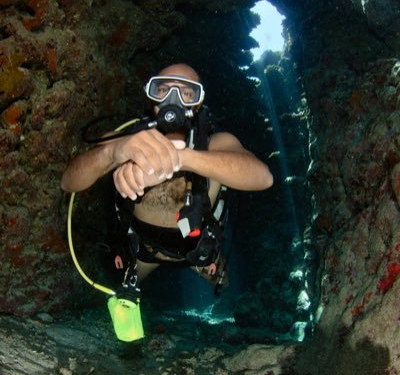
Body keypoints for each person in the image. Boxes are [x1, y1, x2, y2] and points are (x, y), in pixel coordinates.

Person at [61, 63, 273, 294]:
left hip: (197, 250)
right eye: (163, 89)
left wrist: (181, 158)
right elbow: (69, 182)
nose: (174, 99)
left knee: (226, 287)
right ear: (152, 97)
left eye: (186, 92)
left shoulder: (215, 144)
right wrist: (113, 152)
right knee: (114, 293)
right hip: (145, 252)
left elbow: (262, 177)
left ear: (198, 102)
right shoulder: (126, 142)